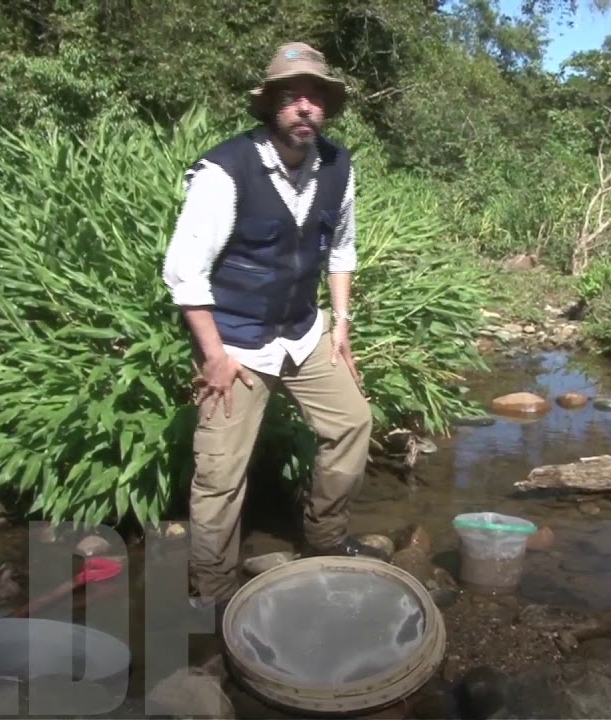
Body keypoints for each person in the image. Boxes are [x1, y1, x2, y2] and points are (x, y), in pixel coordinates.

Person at [162, 42, 386, 610]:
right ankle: (214, 590)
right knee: (220, 473)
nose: (305, 107)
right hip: (235, 343)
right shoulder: (224, 171)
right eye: (292, 96)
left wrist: (341, 326)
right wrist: (214, 356)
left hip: (305, 332)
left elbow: (342, 250)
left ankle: (325, 537)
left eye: (315, 97)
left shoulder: (338, 166)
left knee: (353, 423)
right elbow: (185, 274)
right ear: (270, 106)